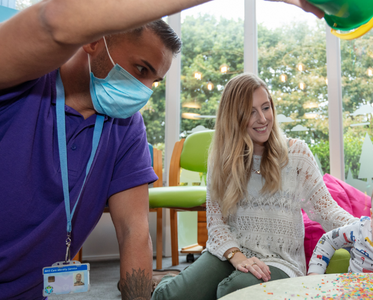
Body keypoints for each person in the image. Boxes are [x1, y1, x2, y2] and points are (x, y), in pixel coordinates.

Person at [0, 1, 324, 299]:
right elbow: (53, 22)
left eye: (154, 81)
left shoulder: (127, 128)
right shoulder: (21, 83)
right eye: (141, 70)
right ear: (93, 39)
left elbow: (134, 233)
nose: (143, 90)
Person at [151, 73, 358, 299]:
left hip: (280, 261)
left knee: (232, 291)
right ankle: (166, 281)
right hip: (231, 253)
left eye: (266, 107)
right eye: (251, 112)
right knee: (168, 297)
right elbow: (216, 224)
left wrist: (369, 230)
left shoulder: (297, 154)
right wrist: (236, 255)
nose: (262, 118)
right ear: (234, 118)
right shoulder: (221, 161)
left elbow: (327, 210)